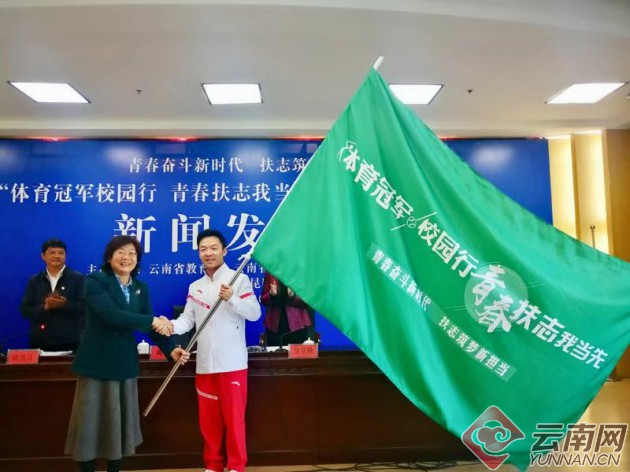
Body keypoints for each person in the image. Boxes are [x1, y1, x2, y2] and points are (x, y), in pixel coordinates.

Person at [65, 235, 178, 472]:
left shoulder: (140, 288)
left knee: (118, 425)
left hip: (124, 363)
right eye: (121, 252)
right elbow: (110, 315)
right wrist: (153, 320)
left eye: (132, 253)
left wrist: (171, 349)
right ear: (109, 257)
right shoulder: (96, 281)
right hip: (96, 363)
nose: (127, 258)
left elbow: (149, 325)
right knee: (90, 423)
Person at [170, 229, 261, 472]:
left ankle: (236, 466)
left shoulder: (238, 279)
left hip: (232, 364)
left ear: (224, 251)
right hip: (205, 365)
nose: (208, 253)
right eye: (203, 249)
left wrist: (232, 298)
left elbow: (254, 313)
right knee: (209, 422)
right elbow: (187, 320)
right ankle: (213, 465)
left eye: (213, 248)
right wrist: (170, 326)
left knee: (234, 421)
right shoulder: (195, 286)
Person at [20, 238, 85, 351]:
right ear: (43, 256)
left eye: (61, 253)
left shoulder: (78, 278)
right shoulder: (35, 281)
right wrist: (45, 307)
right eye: (52, 252)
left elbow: (85, 308)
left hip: (70, 340)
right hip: (40, 340)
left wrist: (64, 304)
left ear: (65, 256)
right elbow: (25, 310)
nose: (57, 256)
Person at [261, 272, 315, 346]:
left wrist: (293, 296)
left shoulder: (300, 272)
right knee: (275, 352)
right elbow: (263, 300)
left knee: (297, 353)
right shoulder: (270, 272)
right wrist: (271, 294)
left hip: (298, 324)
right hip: (274, 326)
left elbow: (308, 300)